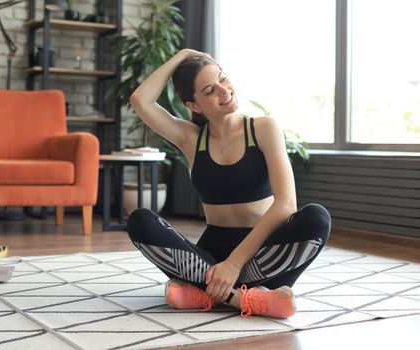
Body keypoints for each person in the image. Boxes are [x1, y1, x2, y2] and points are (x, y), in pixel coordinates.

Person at [127, 48, 331, 318]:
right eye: (210, 90)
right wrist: (181, 55)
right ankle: (244, 298)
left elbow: (286, 204)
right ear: (193, 106)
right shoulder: (191, 138)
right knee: (140, 221)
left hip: (264, 251)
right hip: (213, 250)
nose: (224, 91)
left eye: (223, 79)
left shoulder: (263, 128)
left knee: (317, 218)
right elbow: (140, 100)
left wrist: (233, 265)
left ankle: (205, 292)